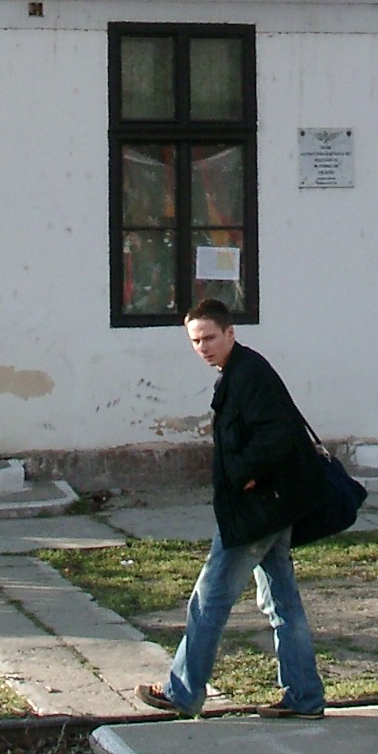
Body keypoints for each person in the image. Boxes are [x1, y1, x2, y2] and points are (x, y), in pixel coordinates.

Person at [138, 298, 330, 718]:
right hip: (272, 508)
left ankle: (182, 692)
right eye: (195, 341)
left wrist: (243, 476)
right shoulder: (239, 372)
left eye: (209, 338)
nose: (203, 347)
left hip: (256, 511)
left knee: (208, 599)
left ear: (230, 333)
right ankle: (304, 697)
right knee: (282, 603)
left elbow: (276, 436)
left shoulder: (249, 375)